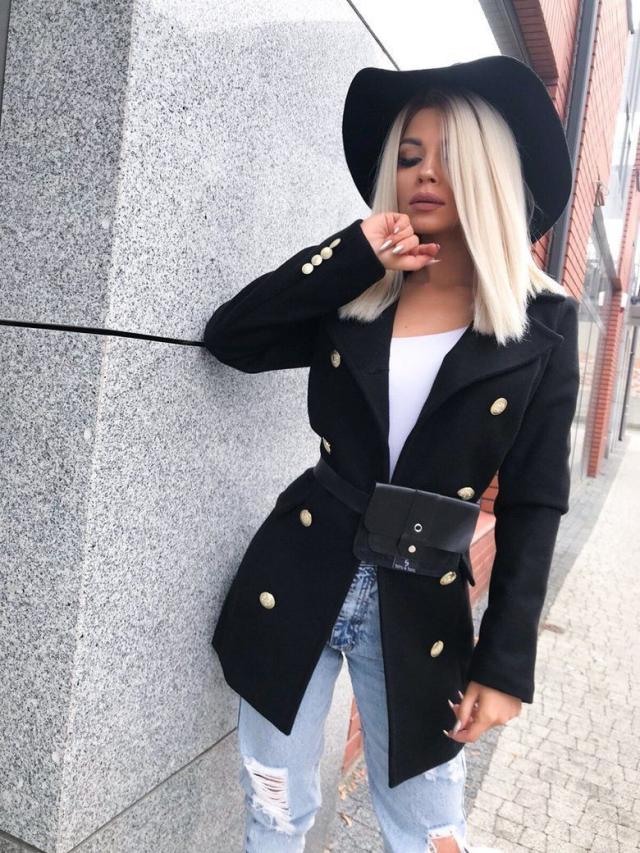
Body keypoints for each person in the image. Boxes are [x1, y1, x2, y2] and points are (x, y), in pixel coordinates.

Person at [203, 57, 579, 853]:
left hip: (421, 605)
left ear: (491, 172)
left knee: (429, 831)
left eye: (449, 156)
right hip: (301, 572)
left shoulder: (544, 322)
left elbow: (535, 501)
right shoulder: (360, 290)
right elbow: (232, 338)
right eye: (409, 156)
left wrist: (505, 663)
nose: (424, 173)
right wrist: (353, 252)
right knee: (274, 808)